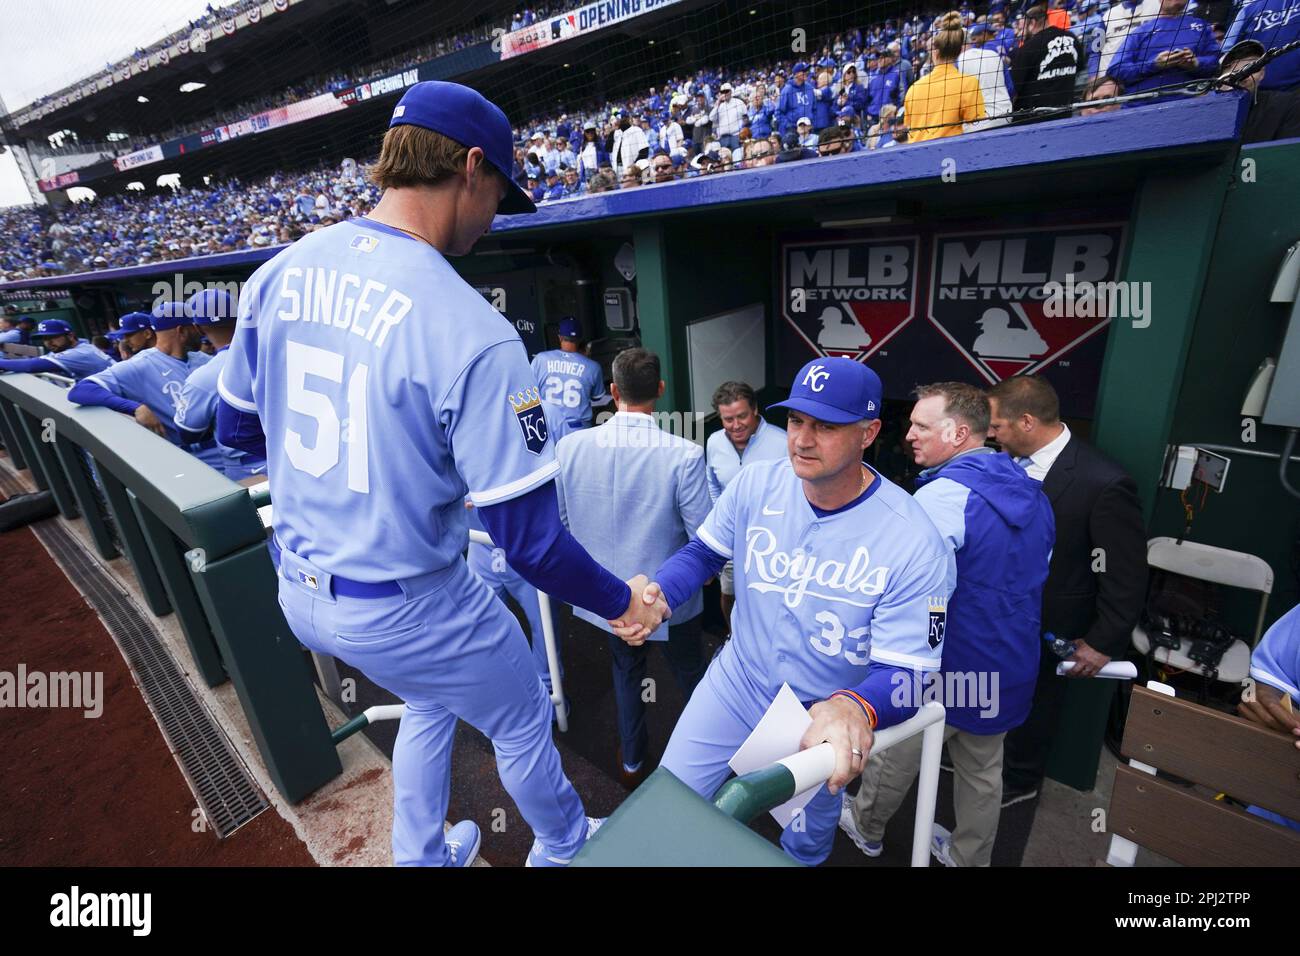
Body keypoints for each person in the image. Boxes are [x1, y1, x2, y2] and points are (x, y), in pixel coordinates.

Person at [214, 81, 670, 868]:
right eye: (497, 187)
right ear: (468, 165)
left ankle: (422, 856)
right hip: (409, 603)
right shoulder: (474, 329)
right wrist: (622, 600)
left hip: (299, 588)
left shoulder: (279, 272)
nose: (495, 210)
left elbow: (234, 428)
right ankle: (564, 847)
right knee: (522, 714)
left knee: (428, 693)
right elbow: (529, 545)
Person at [645, 358, 953, 866]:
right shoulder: (757, 484)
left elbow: (913, 674)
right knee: (668, 801)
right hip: (737, 680)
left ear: (869, 432)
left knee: (803, 847)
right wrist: (659, 593)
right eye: (795, 421)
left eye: (826, 426)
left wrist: (858, 707)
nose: (802, 440)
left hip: (818, 713)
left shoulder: (915, 539)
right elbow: (703, 552)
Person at [842, 383, 1054, 866]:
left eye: (920, 425)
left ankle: (866, 827)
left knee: (896, 754)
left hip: (945, 667)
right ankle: (968, 858)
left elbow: (903, 585)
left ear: (958, 434)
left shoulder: (943, 497)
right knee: (982, 772)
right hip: (1010, 662)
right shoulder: (1034, 493)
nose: (908, 435)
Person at [554, 348, 710, 789]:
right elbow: (703, 539)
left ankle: (633, 760)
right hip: (670, 600)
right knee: (691, 676)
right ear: (659, 390)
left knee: (626, 673)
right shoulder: (683, 454)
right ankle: (707, 761)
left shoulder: (569, 446)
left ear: (612, 392)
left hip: (608, 598)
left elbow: (563, 525)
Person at [988, 375, 1147, 806]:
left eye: (997, 424)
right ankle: (981, 760)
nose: (990, 433)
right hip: (995, 613)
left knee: (1037, 700)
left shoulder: (1104, 481)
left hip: (1053, 621)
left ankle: (1018, 780)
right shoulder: (999, 463)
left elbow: (1125, 573)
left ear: (1025, 422)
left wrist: (1101, 641)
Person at [68, 304, 223, 472]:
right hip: (186, 459)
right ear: (183, 331)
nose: (201, 333)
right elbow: (81, 390)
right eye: (195, 327)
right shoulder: (139, 365)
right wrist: (136, 408)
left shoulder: (203, 359)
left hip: (225, 451)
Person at [705, 381, 787, 634]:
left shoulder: (782, 442)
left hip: (772, 539)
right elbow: (712, 485)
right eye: (728, 419)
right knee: (728, 592)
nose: (736, 425)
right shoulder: (714, 441)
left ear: (755, 410)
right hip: (731, 538)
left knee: (768, 596)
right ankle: (734, 637)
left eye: (742, 416)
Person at [174, 289, 267, 480]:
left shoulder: (202, 378)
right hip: (297, 461)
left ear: (198, 329)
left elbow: (189, 434)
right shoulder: (279, 353)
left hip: (249, 473)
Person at [1107, 0, 1221, 104]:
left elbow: (1219, 63)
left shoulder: (1201, 26)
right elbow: (1116, 69)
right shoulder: (1141, 31)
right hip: (1142, 104)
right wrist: (1154, 64)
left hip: (1192, 102)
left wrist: (1195, 63)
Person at [903, 11, 988, 141]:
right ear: (960, 51)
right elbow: (976, 121)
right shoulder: (968, 83)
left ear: (935, 53)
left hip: (916, 154)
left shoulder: (914, 88)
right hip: (948, 155)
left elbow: (909, 126)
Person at [531, 316, 608, 438]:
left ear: (560, 337)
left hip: (547, 427)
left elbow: (529, 391)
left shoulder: (541, 359)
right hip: (578, 430)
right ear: (580, 339)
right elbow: (598, 398)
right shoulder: (592, 367)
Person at [1011, 4, 1085, 119]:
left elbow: (1014, 88)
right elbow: (1079, 68)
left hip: (1032, 118)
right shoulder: (1072, 38)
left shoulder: (1029, 47)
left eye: (1023, 27)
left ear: (1033, 23)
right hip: (1064, 113)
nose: (1020, 32)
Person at [1218, 39, 1300, 143]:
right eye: (1234, 69)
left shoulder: (1287, 104)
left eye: (1252, 69)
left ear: (1262, 74)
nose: (1244, 76)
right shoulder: (1208, 111)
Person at [1224, 0, 1300, 92]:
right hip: (1252, 91)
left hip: (1294, 89)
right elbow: (1226, 52)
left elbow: (1225, 51)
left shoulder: (1249, 9)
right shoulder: (1249, 9)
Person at [0, 318, 112, 380]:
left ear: (70, 336)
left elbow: (31, 366)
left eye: (53, 337)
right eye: (44, 338)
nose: (48, 342)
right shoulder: (80, 345)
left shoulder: (79, 353)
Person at [959, 22, 1015, 129]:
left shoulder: (985, 50)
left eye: (975, 38)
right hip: (1004, 106)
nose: (974, 43)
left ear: (984, 34)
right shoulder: (999, 44)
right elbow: (1010, 88)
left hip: (984, 114)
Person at [1099, 0, 1162, 78]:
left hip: (1154, 71)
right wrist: (1093, 76)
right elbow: (1095, 50)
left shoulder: (1159, 4)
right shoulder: (1107, 16)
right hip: (1112, 79)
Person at [709, 82, 746, 151]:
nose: (725, 94)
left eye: (726, 91)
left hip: (736, 135)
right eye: (722, 92)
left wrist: (743, 133)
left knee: (737, 156)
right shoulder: (719, 106)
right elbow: (711, 118)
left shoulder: (739, 102)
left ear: (731, 92)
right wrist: (718, 103)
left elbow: (745, 117)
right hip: (723, 138)